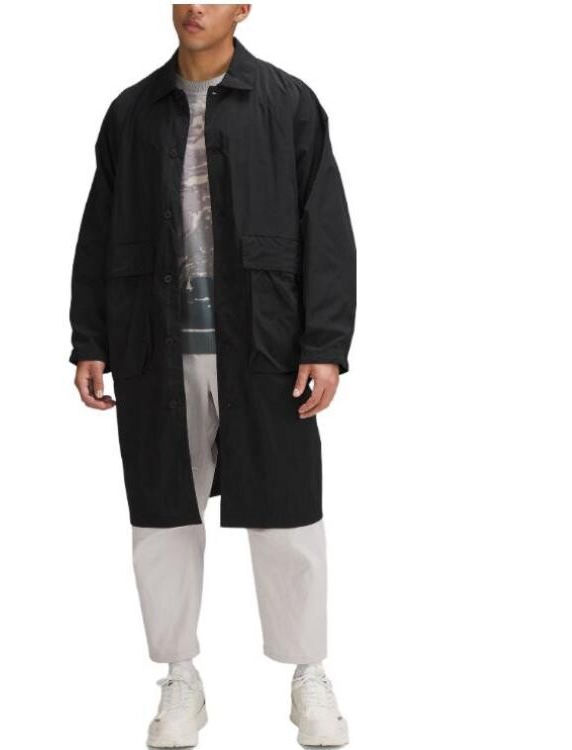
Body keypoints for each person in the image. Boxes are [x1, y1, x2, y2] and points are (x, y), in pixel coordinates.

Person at [69, 5, 357, 747]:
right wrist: (89, 338)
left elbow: (325, 224)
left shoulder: (288, 102)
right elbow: (99, 228)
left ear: (244, 7)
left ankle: (309, 674)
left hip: (265, 345)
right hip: (153, 344)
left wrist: (325, 342)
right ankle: (180, 678)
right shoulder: (132, 112)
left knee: (288, 514)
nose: (195, 5)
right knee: (162, 516)